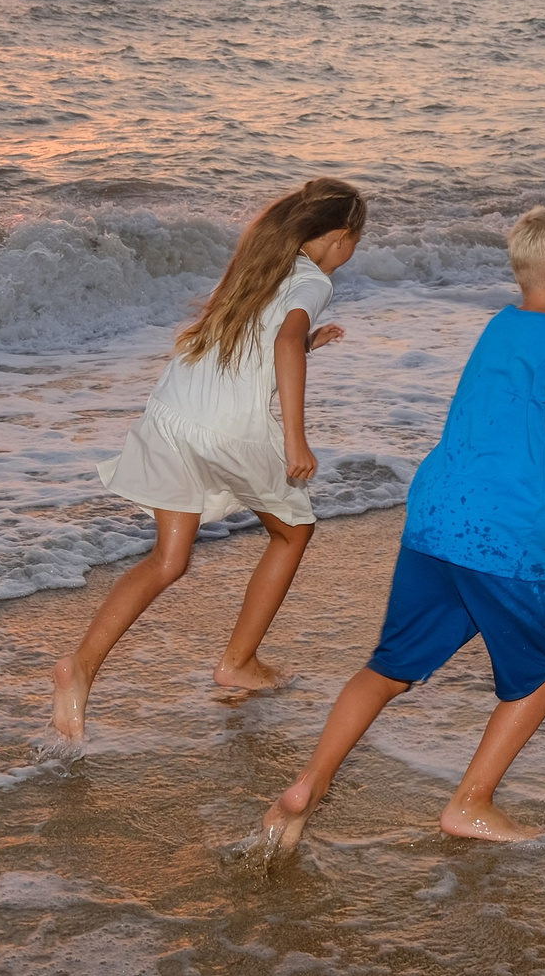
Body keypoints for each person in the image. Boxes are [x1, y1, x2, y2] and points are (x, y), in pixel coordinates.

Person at [261, 205, 545, 854]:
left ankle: (307, 785)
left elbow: (507, 422)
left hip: (434, 515)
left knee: (388, 667)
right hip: (497, 534)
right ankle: (470, 803)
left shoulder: (499, 328)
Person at [50, 177, 367, 744]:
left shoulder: (259, 260)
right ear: (340, 236)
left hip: (173, 410)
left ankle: (80, 667)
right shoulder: (313, 280)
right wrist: (296, 438)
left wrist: (309, 342)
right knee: (294, 531)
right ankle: (238, 661)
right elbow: (284, 343)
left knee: (168, 561)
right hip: (227, 428)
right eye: (355, 242)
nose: (351, 254)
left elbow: (264, 337)